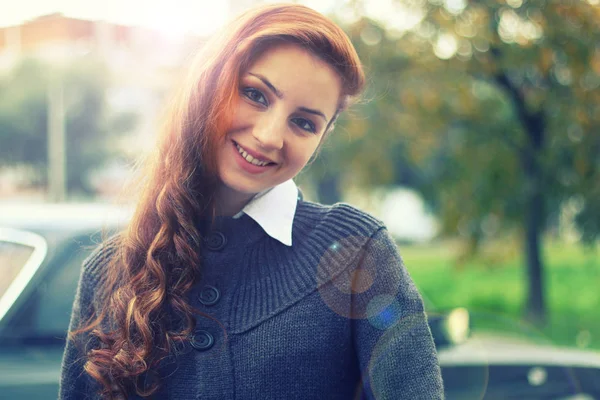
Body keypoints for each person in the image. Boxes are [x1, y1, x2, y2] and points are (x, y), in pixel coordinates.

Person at [59, 4, 444, 400]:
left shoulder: (356, 252)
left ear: (322, 139)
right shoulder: (107, 272)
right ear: (210, 84)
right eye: (255, 94)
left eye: (304, 122)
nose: (269, 136)